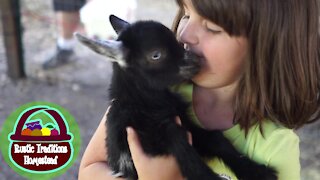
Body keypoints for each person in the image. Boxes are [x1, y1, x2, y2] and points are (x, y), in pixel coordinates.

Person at [78, 0, 320, 179]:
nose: (184, 34)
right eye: (185, 13)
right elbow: (90, 168)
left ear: (268, 45)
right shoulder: (149, 92)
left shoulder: (275, 147)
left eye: (212, 28)